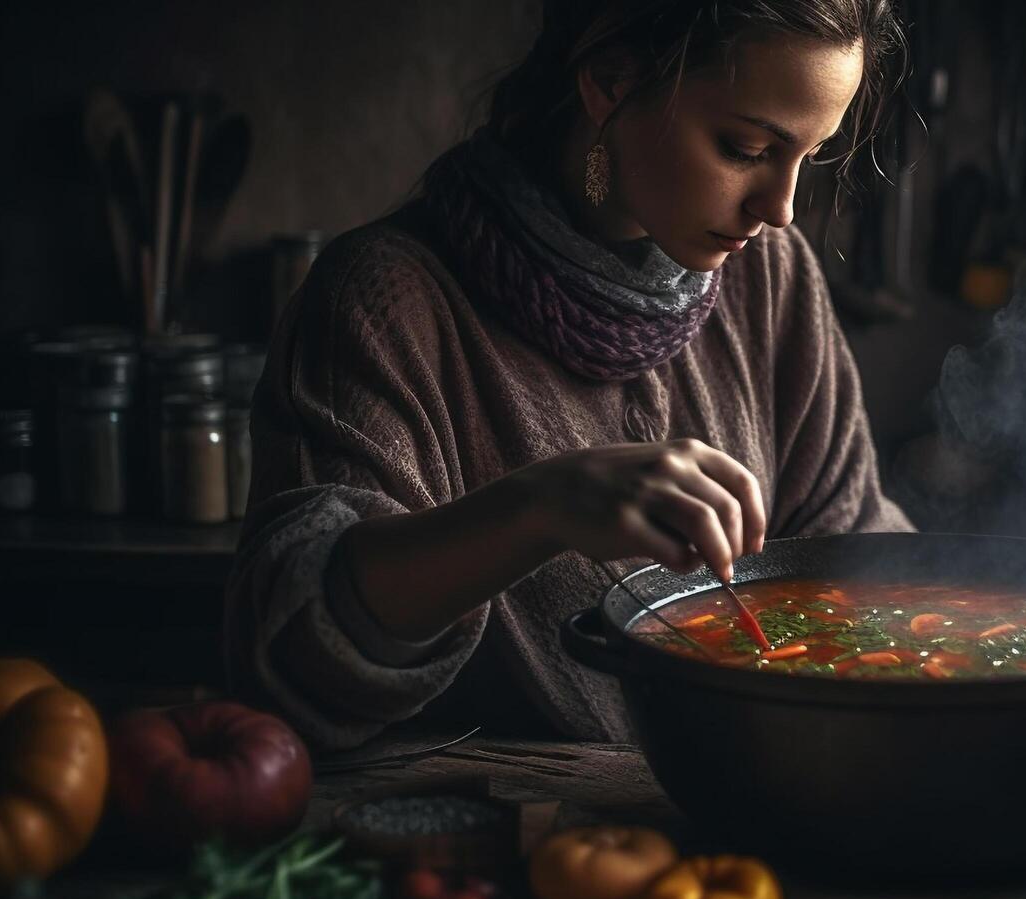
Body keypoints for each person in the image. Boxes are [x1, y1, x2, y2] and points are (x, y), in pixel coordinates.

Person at [224, 1, 913, 750]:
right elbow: (294, 658)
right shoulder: (385, 300)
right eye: (745, 147)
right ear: (610, 84)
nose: (779, 209)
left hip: (759, 813)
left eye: (809, 157)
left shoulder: (771, 278)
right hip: (508, 843)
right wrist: (538, 508)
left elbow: (849, 551)